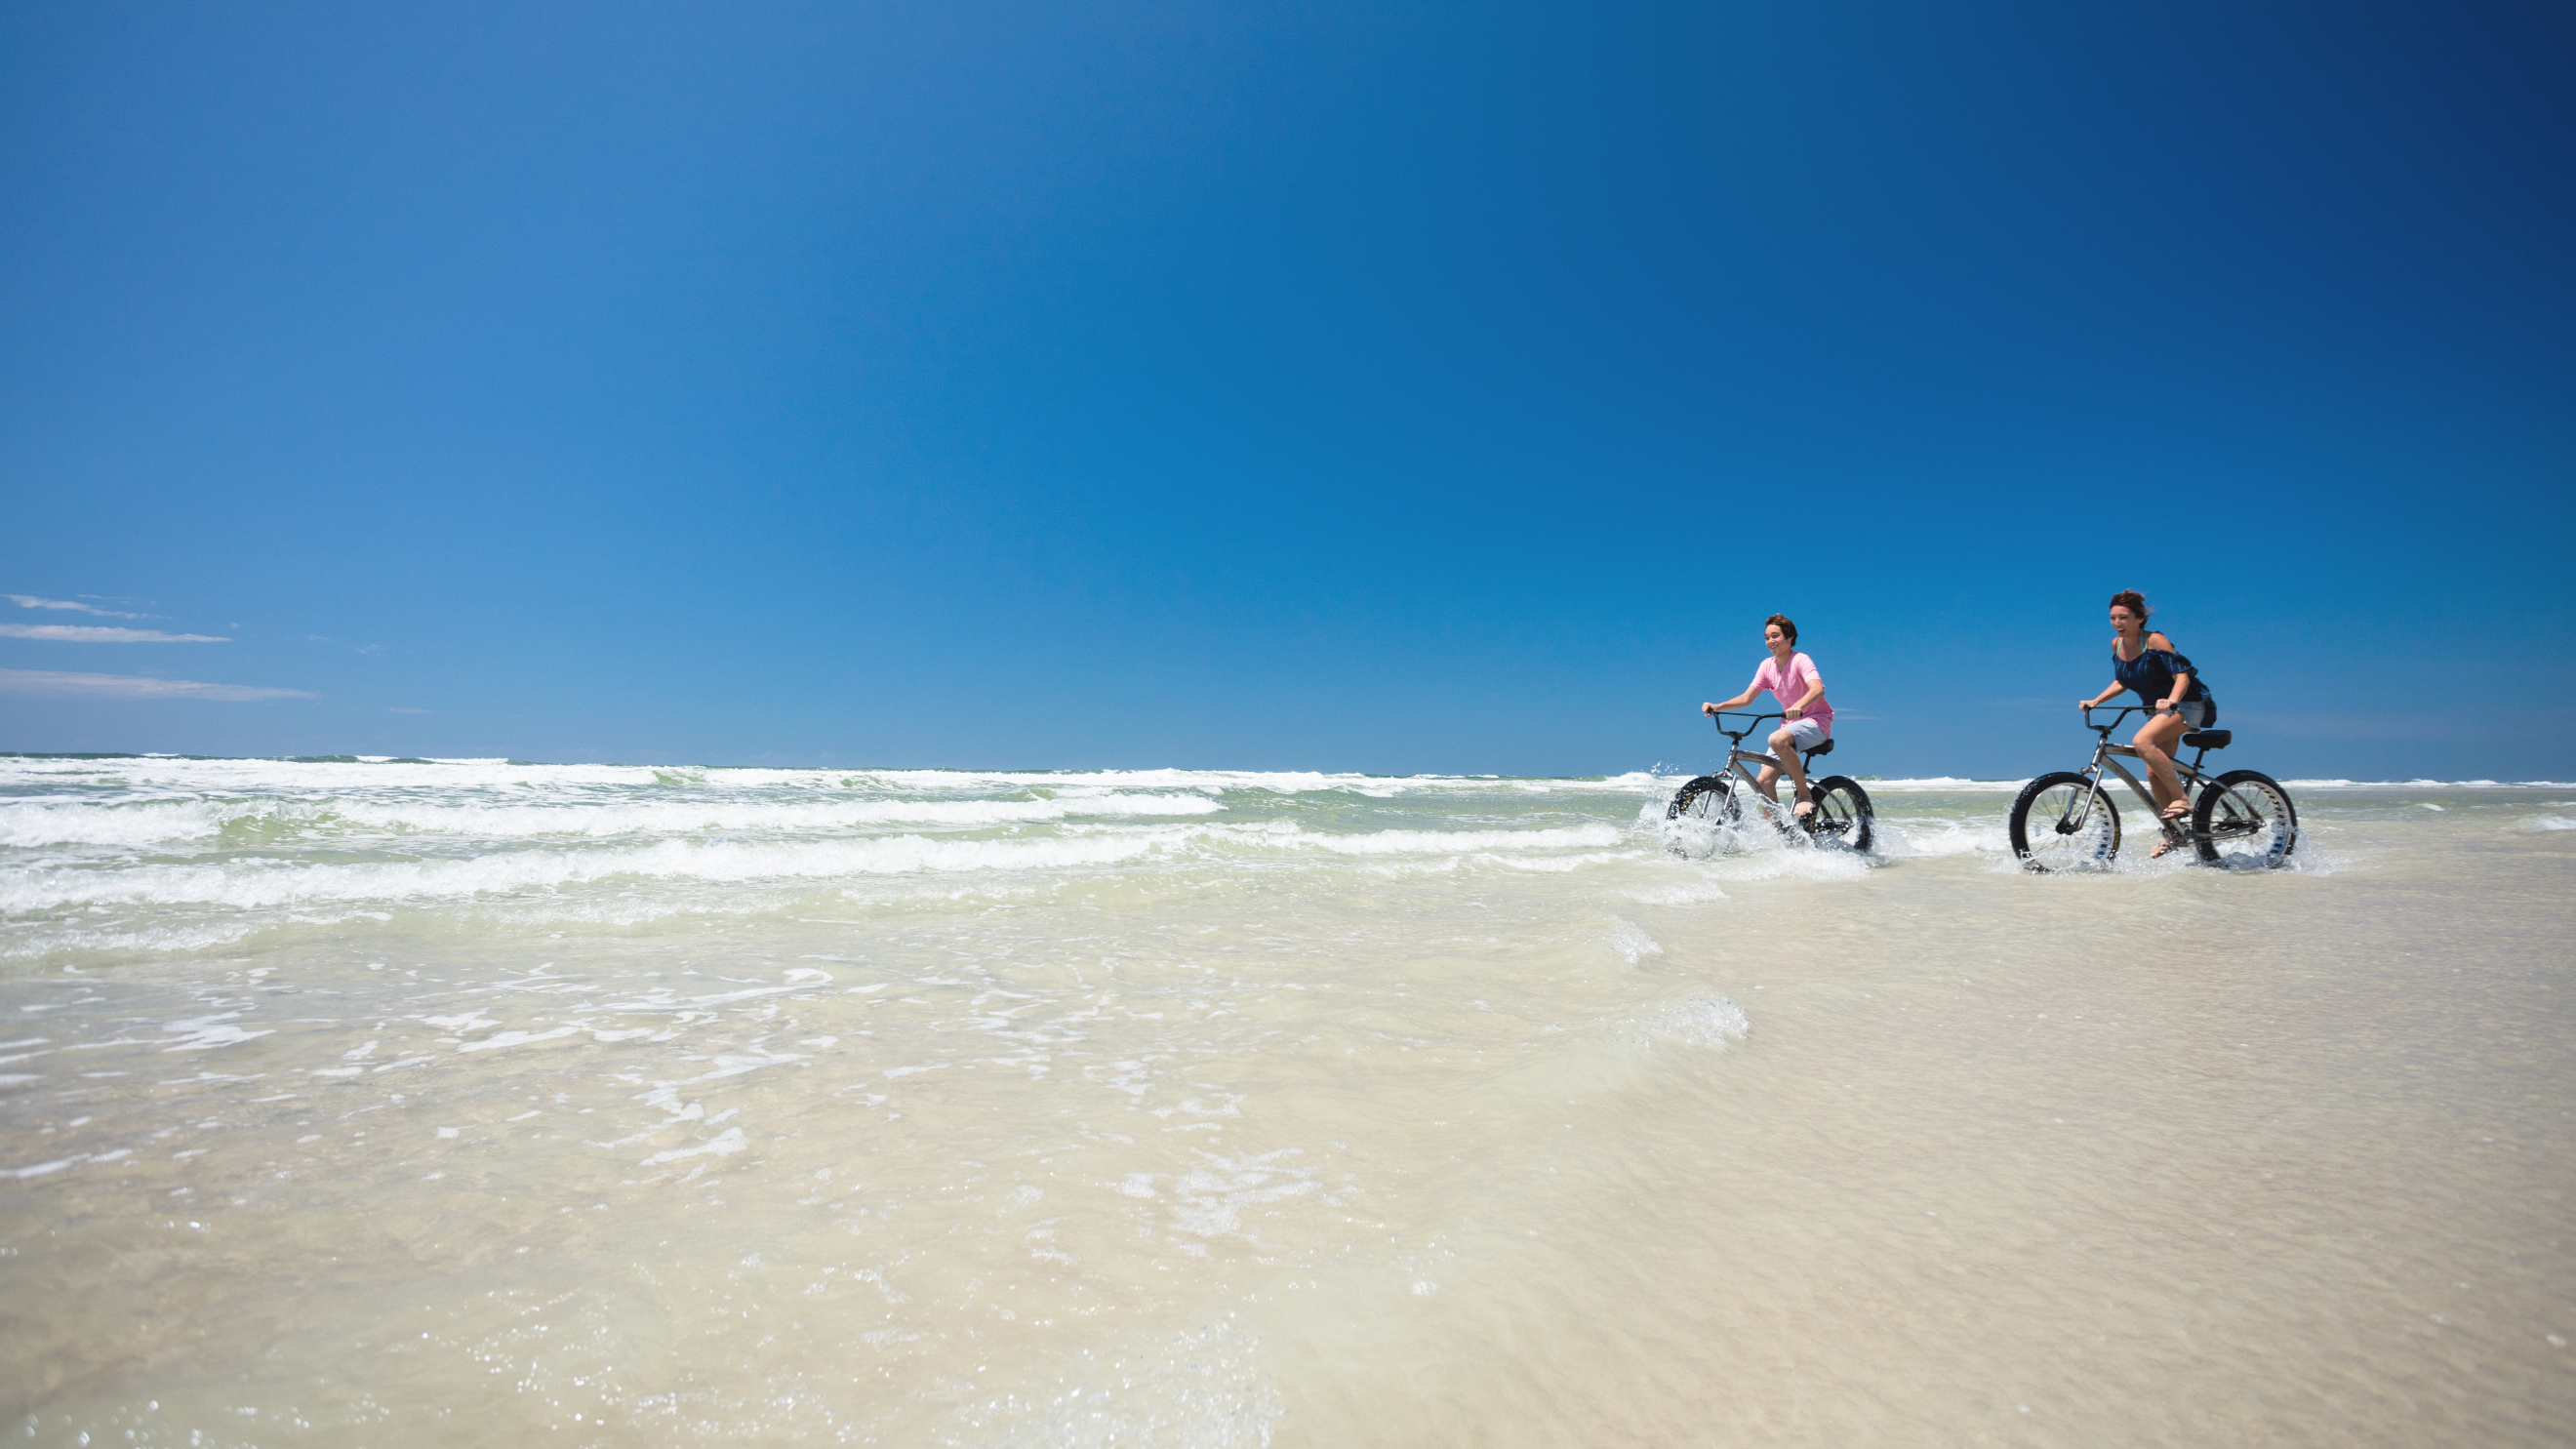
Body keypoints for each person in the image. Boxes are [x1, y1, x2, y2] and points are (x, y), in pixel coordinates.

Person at [2079, 589, 2218, 857]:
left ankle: (2182, 800)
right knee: (2154, 772)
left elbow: (2182, 675)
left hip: (2187, 705)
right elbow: (2123, 680)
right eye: (2113, 618)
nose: (2118, 623)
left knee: (2142, 741)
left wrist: (2172, 701)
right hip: (2158, 710)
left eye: (2124, 617)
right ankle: (2174, 833)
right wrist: (2097, 700)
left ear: (2140, 619)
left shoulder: (2155, 641)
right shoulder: (2116, 645)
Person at [1702, 614, 1833, 818]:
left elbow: (1817, 690)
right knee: (1764, 781)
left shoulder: (1800, 660)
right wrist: (1718, 706)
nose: (1770, 641)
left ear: (1789, 637)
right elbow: (1747, 698)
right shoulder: (1767, 666)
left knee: (1776, 738)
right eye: (1767, 637)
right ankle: (1778, 833)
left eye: (1775, 636)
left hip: (1816, 721)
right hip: (1790, 726)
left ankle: (1805, 795)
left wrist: (1798, 706)